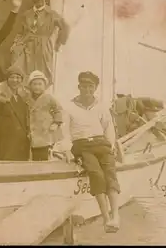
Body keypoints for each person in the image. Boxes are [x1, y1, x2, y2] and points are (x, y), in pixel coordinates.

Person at [65, 71, 122, 233]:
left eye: (91, 86)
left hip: (101, 144)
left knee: (110, 172)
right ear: (79, 87)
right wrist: (67, 150)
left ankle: (115, 216)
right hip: (81, 146)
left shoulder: (101, 106)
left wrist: (111, 145)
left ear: (95, 88)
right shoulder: (69, 107)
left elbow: (108, 127)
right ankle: (106, 218)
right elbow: (65, 132)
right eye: (84, 86)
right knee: (96, 174)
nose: (87, 89)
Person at [10, 0, 69, 87]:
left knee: (42, 72)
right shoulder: (27, 14)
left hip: (43, 46)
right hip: (26, 44)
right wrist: (16, 43)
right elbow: (21, 32)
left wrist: (59, 43)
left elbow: (65, 27)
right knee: (22, 70)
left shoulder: (51, 14)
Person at [0, 65, 31, 161]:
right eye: (12, 77)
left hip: (21, 146)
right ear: (7, 79)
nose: (15, 80)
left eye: (18, 77)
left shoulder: (23, 100)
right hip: (5, 146)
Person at [27, 70, 63, 161]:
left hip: (45, 131)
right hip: (31, 131)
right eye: (34, 84)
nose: (37, 87)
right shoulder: (27, 98)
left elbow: (58, 110)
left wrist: (56, 123)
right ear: (30, 86)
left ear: (44, 85)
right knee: (32, 156)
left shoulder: (49, 98)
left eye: (40, 84)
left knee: (43, 154)